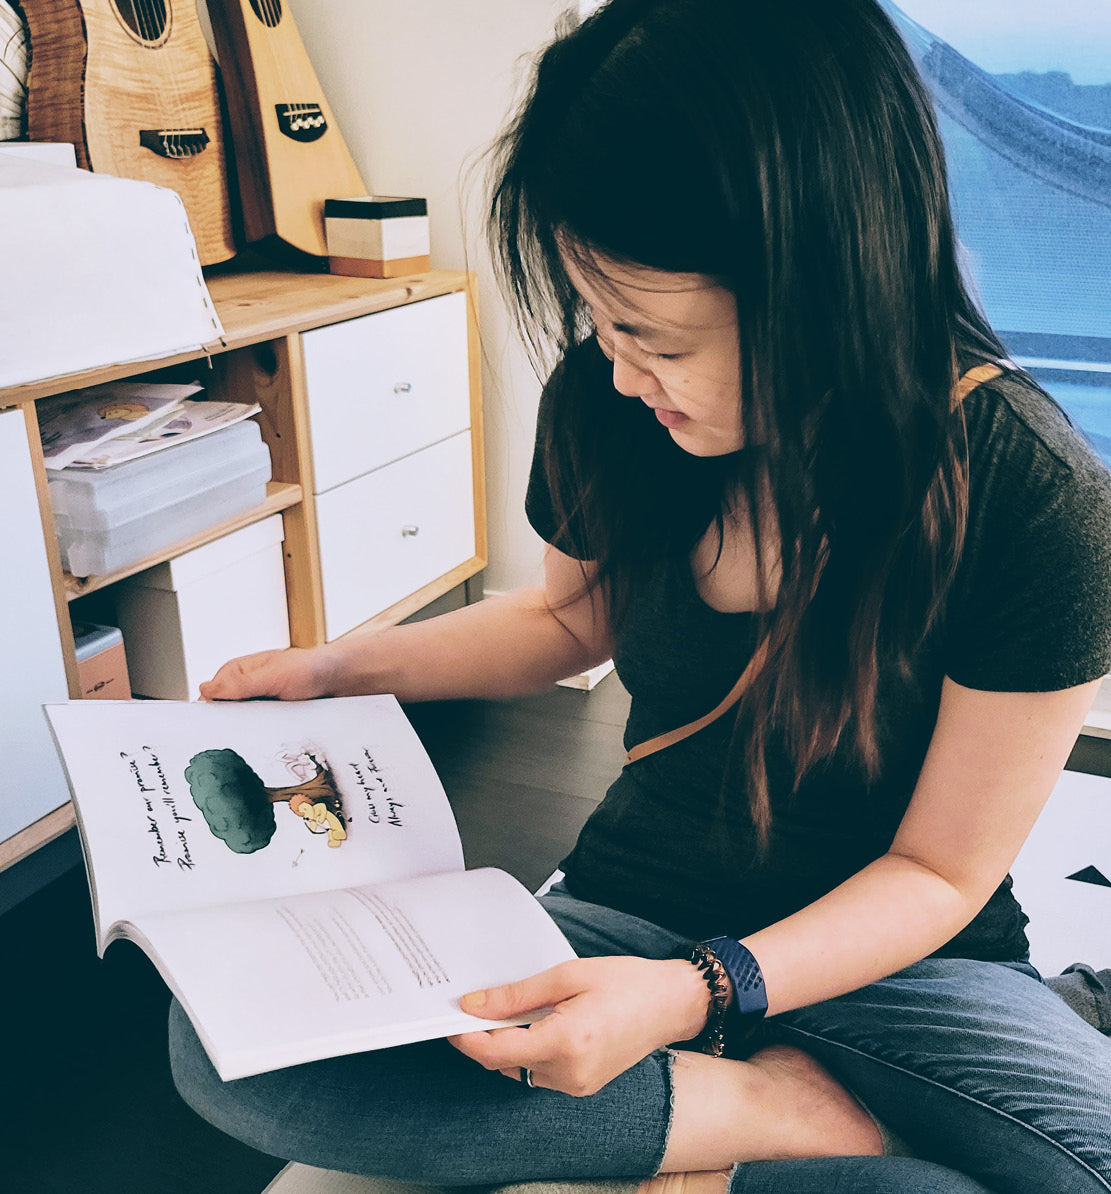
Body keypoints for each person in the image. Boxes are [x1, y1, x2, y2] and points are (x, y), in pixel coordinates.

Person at [169, 2, 1111, 1191]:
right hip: (628, 909)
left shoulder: (1033, 498)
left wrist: (692, 997)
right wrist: (335, 669)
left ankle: (781, 1106)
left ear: (827, 290)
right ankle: (789, 1116)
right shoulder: (610, 403)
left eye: (657, 339)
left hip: (903, 967)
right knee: (230, 1044)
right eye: (599, 321)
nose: (620, 371)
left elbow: (937, 872)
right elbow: (567, 621)